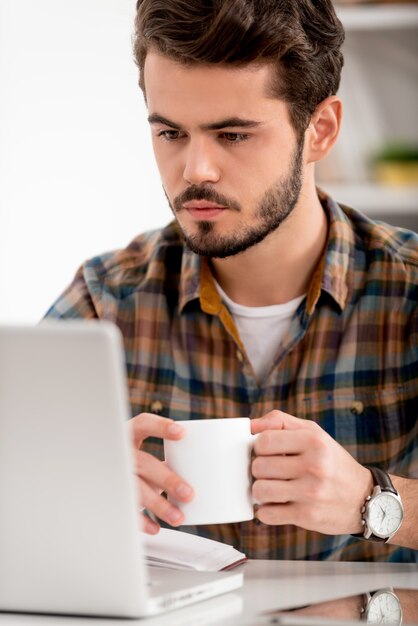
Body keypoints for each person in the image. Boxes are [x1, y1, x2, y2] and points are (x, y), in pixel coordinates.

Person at [45, 0, 417, 562]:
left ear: (320, 130)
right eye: (171, 132)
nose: (196, 170)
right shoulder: (107, 297)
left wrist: (373, 501)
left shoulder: (408, 291)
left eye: (234, 135)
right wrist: (72, 490)